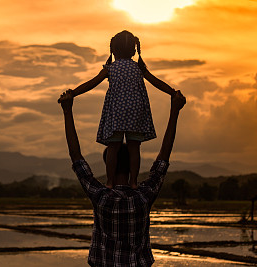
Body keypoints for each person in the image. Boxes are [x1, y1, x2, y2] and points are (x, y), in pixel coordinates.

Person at [58, 89, 186, 267]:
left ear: (107, 164)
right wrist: (175, 112)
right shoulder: (143, 197)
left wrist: (67, 110)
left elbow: (76, 156)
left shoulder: (101, 197)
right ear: (134, 165)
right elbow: (163, 158)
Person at [60, 30, 176, 189]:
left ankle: (109, 182)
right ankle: (133, 182)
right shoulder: (139, 68)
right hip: (136, 111)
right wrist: (173, 93)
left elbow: (91, 83)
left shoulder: (111, 68)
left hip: (117, 112)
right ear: (134, 51)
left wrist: (73, 93)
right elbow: (157, 82)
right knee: (134, 147)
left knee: (113, 147)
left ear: (113, 51)